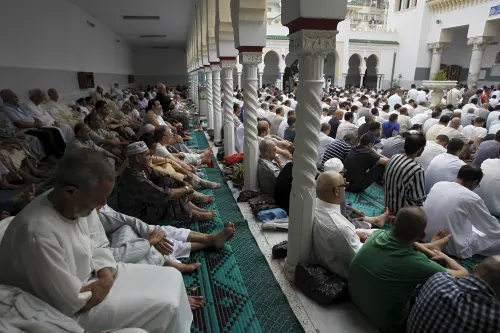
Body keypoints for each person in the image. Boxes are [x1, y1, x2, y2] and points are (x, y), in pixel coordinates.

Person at [0, 149, 198, 333]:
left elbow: (99, 243)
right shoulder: (38, 235)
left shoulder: (75, 203)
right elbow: (72, 302)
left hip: (97, 278)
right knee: (165, 304)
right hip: (66, 311)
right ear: (70, 191)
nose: (102, 206)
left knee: (171, 277)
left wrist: (105, 275)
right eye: (99, 200)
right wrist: (104, 280)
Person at [349, 207, 468, 333]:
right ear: (422, 235)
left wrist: (429, 250)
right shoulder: (416, 263)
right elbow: (463, 275)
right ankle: (433, 247)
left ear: (393, 221)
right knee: (433, 286)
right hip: (388, 324)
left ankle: (433, 246)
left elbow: (404, 242)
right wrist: (446, 258)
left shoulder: (377, 235)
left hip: (356, 301)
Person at [98, 205, 234, 273]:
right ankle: (209, 241)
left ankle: (210, 240)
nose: (102, 203)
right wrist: (151, 240)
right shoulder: (135, 176)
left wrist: (154, 234)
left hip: (127, 227)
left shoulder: (94, 205)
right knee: (144, 241)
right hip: (119, 237)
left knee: (165, 231)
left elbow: (127, 220)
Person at [117, 142, 216, 223]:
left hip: (145, 202)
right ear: (138, 159)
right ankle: (193, 214)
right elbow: (165, 194)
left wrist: (181, 182)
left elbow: (161, 175)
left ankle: (192, 208)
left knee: (168, 181)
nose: (151, 157)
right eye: (148, 155)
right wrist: (186, 189)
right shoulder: (134, 178)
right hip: (138, 213)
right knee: (171, 198)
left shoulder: (140, 168)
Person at [408, 255, 500, 333]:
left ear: (475, 268)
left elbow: (460, 274)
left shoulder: (438, 279)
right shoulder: (494, 318)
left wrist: (448, 259)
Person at [424, 165, 500, 258]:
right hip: (451, 245)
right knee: (494, 239)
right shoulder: (471, 197)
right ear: (474, 182)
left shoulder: (439, 184)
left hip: (425, 235)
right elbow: (492, 228)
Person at [312, 171, 373, 278]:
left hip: (326, 254)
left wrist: (355, 234)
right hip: (342, 273)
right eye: (344, 185)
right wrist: (369, 242)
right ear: (336, 191)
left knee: (374, 232)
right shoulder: (340, 227)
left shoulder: (312, 204)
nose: (345, 189)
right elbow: (359, 258)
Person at [0, 89, 65, 158]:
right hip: (25, 129)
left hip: (33, 125)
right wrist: (34, 124)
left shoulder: (19, 105)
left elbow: (30, 116)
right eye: (14, 96)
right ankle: (52, 155)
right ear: (6, 100)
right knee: (47, 134)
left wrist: (35, 123)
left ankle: (62, 150)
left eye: (16, 95)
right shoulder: (6, 109)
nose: (17, 97)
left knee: (55, 131)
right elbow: (19, 124)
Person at [384, 133, 427, 214]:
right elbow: (418, 199)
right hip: (401, 213)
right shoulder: (417, 170)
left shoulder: (394, 157)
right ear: (420, 149)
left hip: (387, 206)